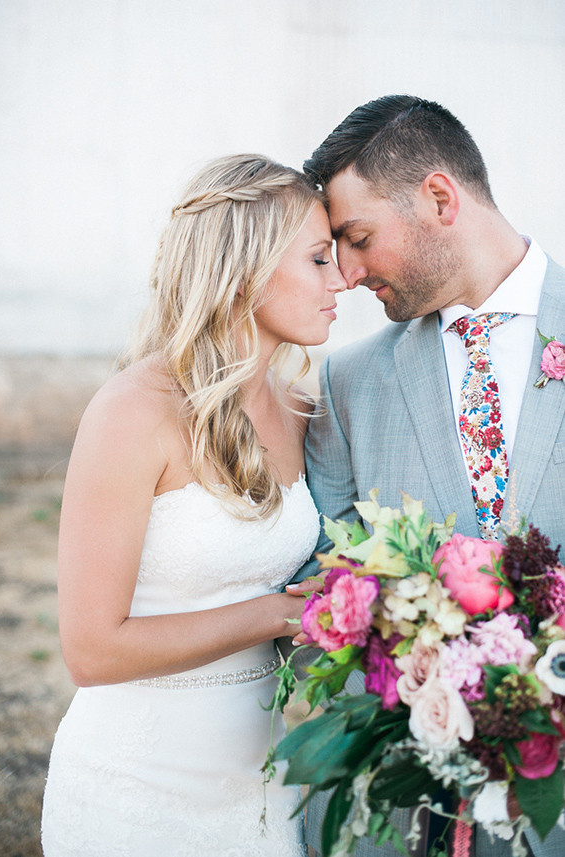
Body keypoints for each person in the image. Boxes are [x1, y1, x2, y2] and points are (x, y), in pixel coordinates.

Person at [41, 153, 346, 857]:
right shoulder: (132, 411)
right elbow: (90, 648)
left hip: (263, 786)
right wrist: (274, 614)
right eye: (319, 260)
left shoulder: (301, 407)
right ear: (247, 269)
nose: (341, 282)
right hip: (136, 793)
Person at [286, 96, 565, 857]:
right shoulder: (347, 382)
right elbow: (324, 583)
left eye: (358, 237)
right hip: (402, 813)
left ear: (440, 198)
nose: (345, 272)